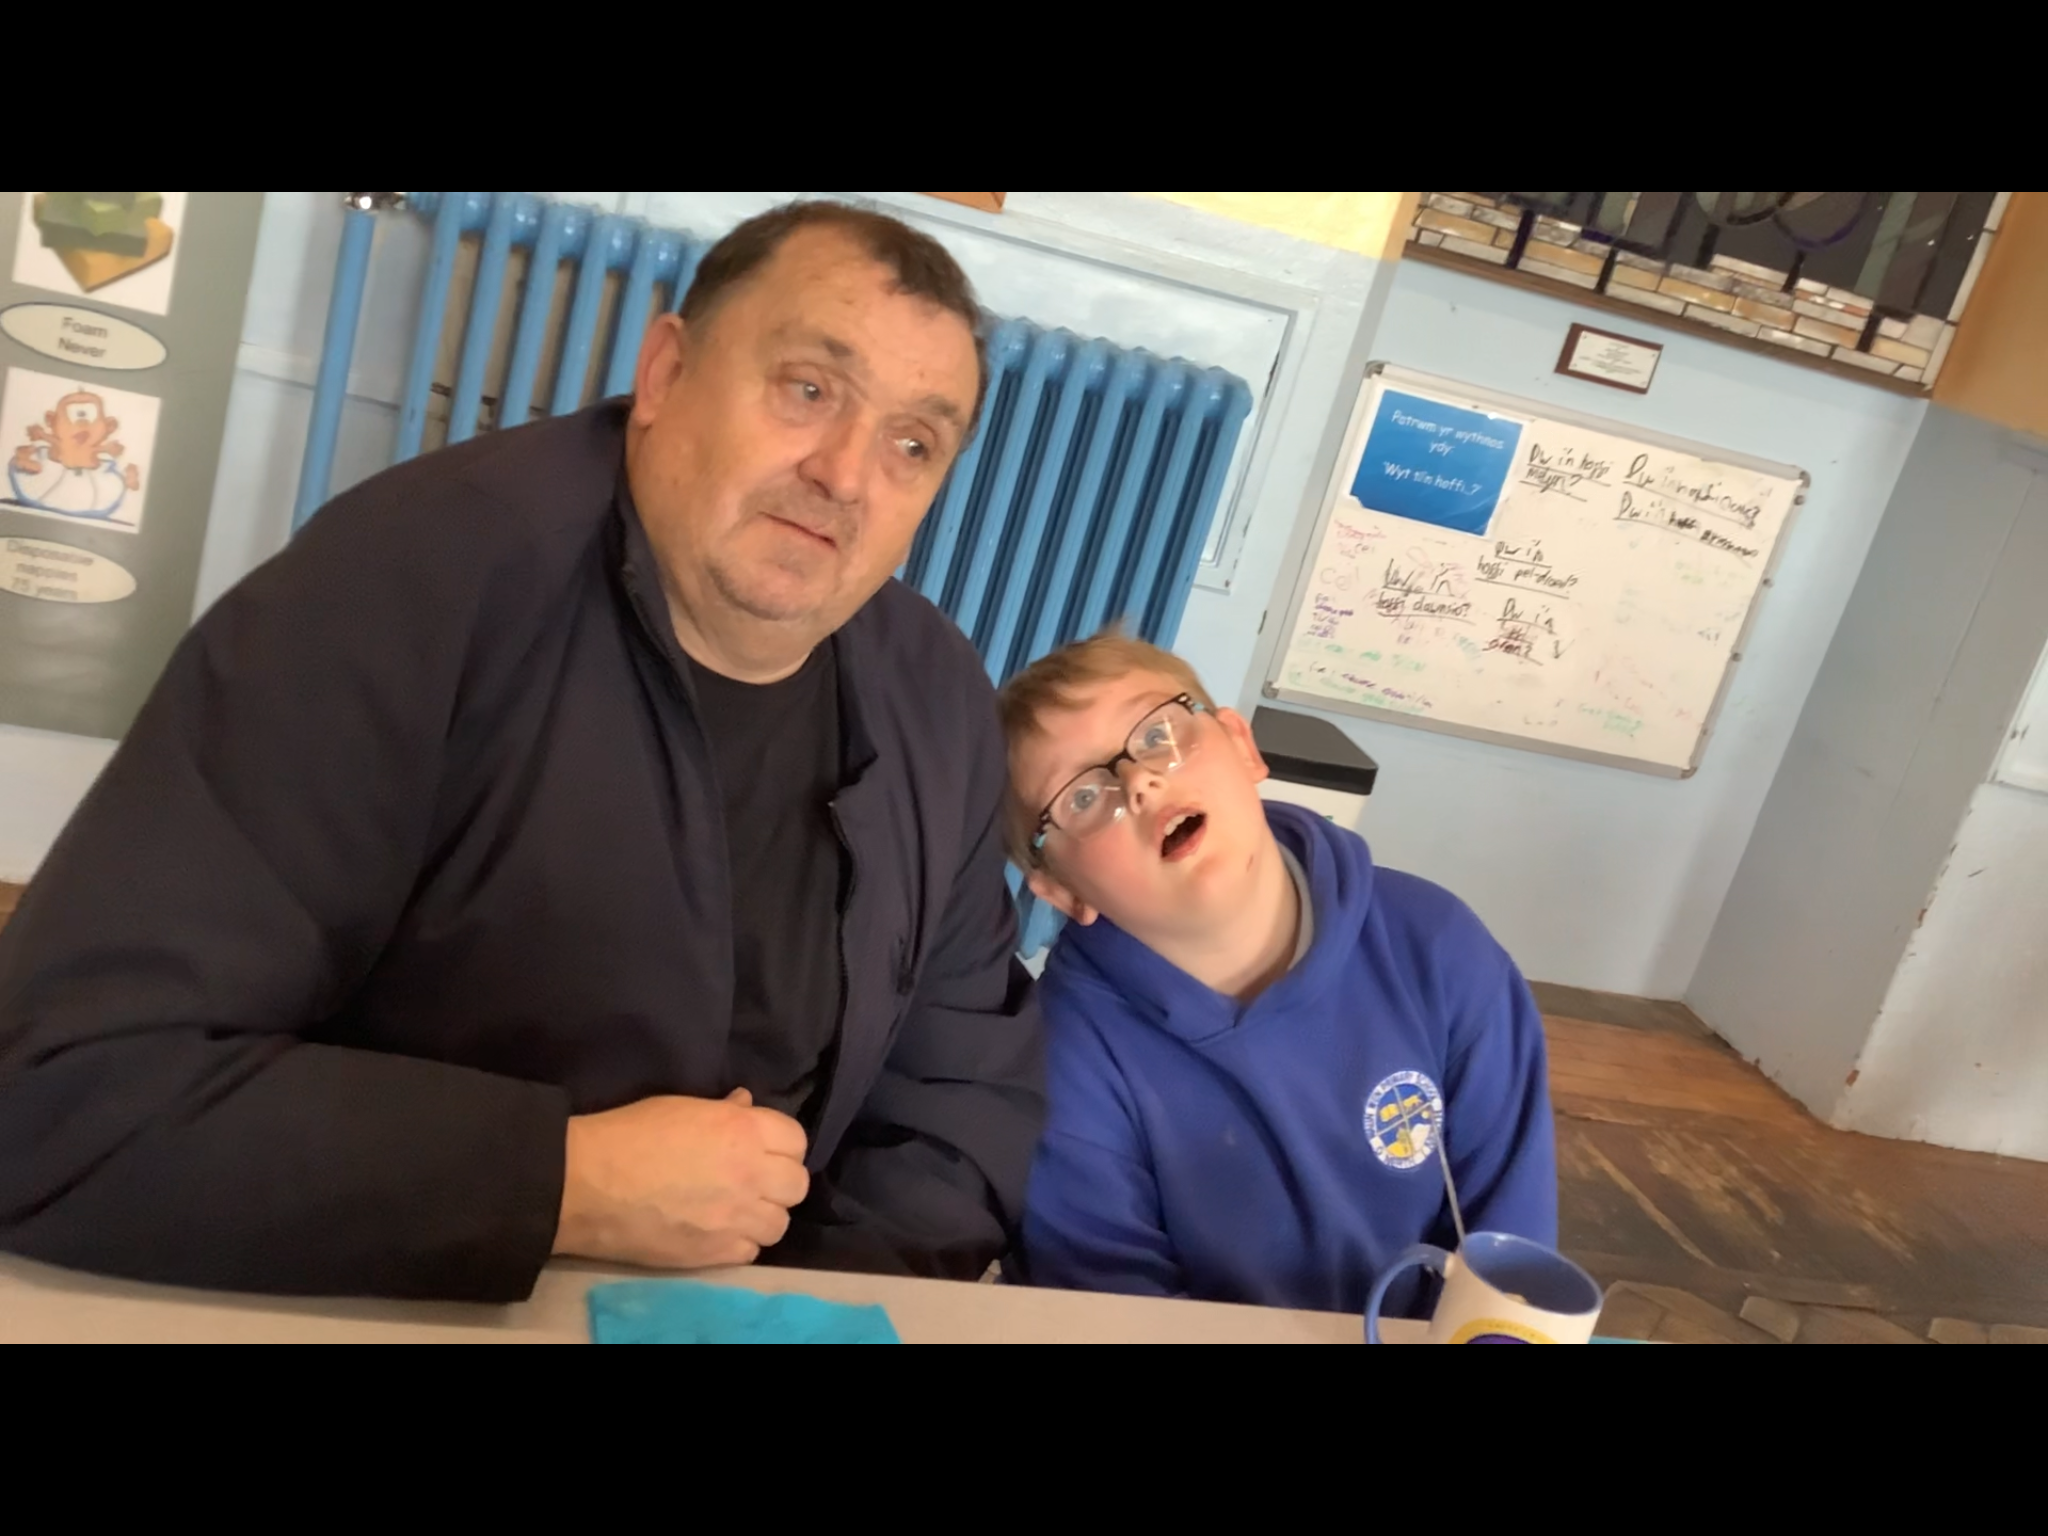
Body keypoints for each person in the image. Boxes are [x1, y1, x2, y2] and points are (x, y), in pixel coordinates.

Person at [0, 200, 1044, 1301]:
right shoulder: (398, 589)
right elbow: (65, 1090)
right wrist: (563, 1182)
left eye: (912, 444)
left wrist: (795, 1316)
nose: (845, 474)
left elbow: (960, 1100)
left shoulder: (935, 698)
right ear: (666, 372)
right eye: (808, 389)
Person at [999, 632, 1553, 1312]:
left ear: (1241, 744)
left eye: (1158, 733)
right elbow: (1117, 1311)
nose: (1139, 782)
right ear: (1060, 891)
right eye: (1082, 797)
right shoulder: (1060, 1054)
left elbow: (1510, 1263)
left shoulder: (1441, 949)